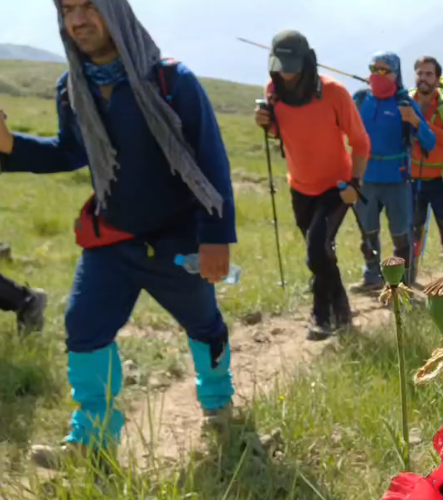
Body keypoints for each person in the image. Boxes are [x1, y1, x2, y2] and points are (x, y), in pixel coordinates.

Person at [0, 0, 236, 467]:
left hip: (178, 241)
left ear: (115, 11)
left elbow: (211, 159)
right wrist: (10, 147)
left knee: (203, 323)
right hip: (112, 239)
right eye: (68, 9)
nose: (78, 19)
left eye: (89, 5)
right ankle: (91, 438)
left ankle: (218, 402)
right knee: (83, 326)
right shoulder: (73, 87)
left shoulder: (171, 81)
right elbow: (70, 152)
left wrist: (215, 237)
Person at [255, 31, 370, 340]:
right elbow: (284, 134)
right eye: (280, 65)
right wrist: (268, 125)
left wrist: (354, 184)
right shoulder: (273, 91)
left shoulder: (335, 93)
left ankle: (320, 316)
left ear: (307, 61)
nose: (286, 72)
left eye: (292, 65)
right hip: (300, 188)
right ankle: (342, 313)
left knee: (316, 252)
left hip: (337, 187)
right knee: (321, 254)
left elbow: (361, 142)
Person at [351, 51, 435, 290]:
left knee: (400, 232)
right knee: (368, 231)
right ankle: (372, 276)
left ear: (395, 74)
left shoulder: (404, 103)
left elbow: (430, 142)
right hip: (365, 178)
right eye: (373, 69)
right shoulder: (360, 100)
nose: (377, 74)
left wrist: (416, 121)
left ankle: (403, 280)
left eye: (383, 70)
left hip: (397, 179)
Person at [410, 56, 443, 279]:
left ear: (437, 78)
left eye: (428, 74)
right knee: (412, 228)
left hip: (441, 178)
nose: (423, 78)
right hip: (412, 177)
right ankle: (407, 277)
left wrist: (419, 124)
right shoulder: (405, 101)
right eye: (420, 73)